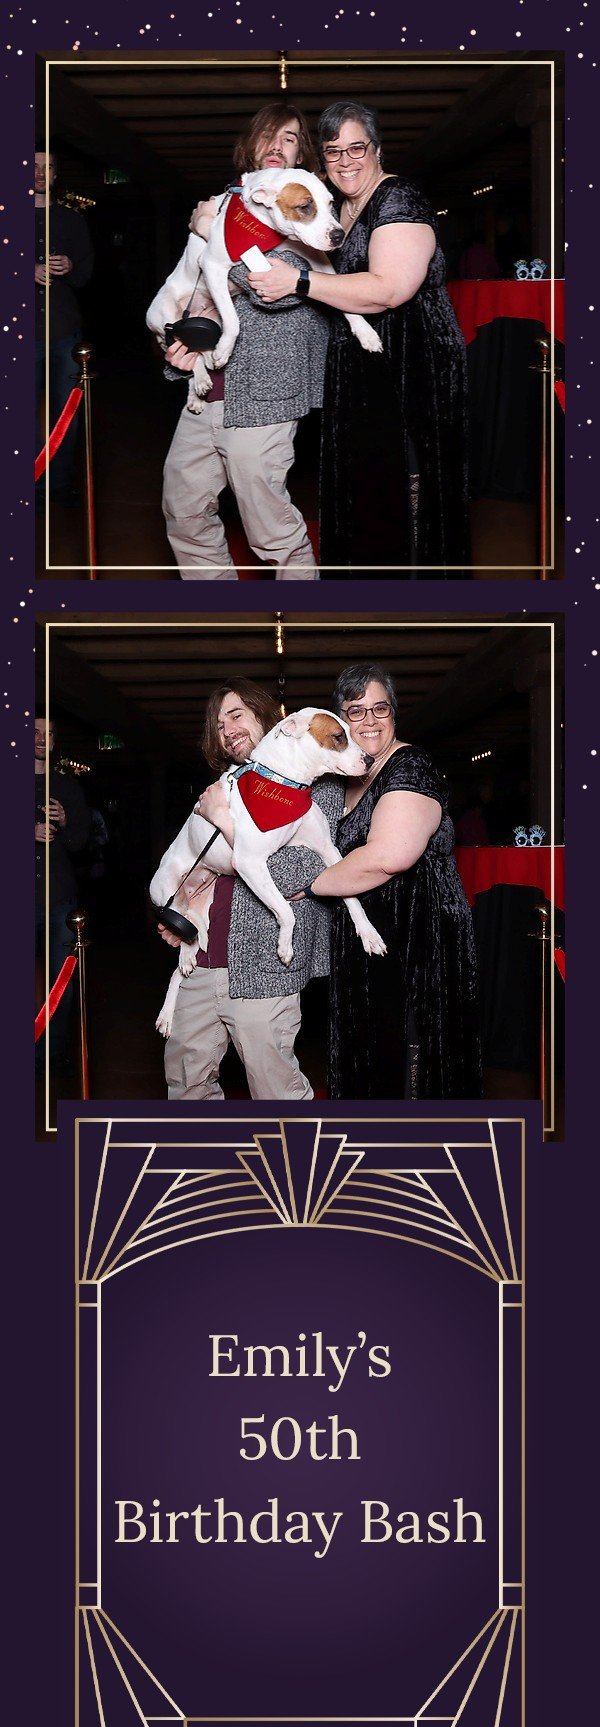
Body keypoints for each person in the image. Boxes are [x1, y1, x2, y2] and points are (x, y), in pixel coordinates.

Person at [247, 102, 469, 578]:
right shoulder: (334, 206)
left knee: (406, 483)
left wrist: (299, 282)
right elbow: (256, 216)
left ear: (377, 149)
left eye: (356, 148)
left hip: (411, 359)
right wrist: (209, 218)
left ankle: (416, 591)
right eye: (333, 151)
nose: (345, 161)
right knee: (366, 484)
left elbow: (389, 290)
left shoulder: (398, 198)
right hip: (359, 361)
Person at [294, 665, 481, 1100]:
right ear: (340, 720)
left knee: (409, 1071)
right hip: (365, 947)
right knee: (368, 1063)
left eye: (380, 708)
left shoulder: (410, 767)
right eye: (355, 710)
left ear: (393, 713)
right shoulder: (343, 778)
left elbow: (389, 857)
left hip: (416, 944)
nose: (369, 720)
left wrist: (311, 886)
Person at [160, 104, 329, 580]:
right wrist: (178, 349)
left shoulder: (308, 211)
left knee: (270, 528)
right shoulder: (223, 208)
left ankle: (305, 617)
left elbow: (275, 290)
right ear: (249, 145)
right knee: (184, 510)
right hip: (206, 392)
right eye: (268, 135)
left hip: (265, 396)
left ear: (302, 153)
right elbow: (189, 289)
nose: (277, 145)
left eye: (290, 138)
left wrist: (208, 233)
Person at [158, 681, 342, 1101]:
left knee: (276, 1093)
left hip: (264, 968)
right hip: (202, 961)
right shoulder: (229, 785)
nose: (227, 730)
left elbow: (299, 873)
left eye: (236, 715)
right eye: (219, 724)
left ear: (268, 717)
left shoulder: (320, 784)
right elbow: (196, 865)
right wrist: (180, 917)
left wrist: (224, 821)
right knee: (187, 1085)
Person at [34, 149, 94, 501]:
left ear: (56, 175)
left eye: (48, 167)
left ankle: (58, 483)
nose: (41, 173)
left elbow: (85, 275)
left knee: (66, 412)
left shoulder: (72, 220)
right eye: (34, 166)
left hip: (63, 330)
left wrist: (71, 267)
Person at [35, 716, 91, 1067]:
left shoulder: (67, 786)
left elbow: (82, 843)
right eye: (35, 732)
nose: (43, 738)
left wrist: (68, 822)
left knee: (61, 983)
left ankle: (52, 1054)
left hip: (58, 898)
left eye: (49, 733)